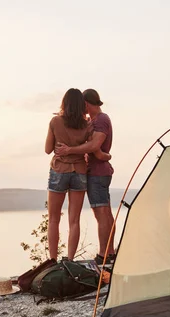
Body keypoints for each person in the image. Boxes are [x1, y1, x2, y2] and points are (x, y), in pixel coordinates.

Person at [45, 89, 110, 261]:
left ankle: (52, 260)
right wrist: (106, 156)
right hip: (80, 172)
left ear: (64, 103)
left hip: (59, 170)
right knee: (74, 220)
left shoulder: (55, 121)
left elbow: (47, 149)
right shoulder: (86, 125)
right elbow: (94, 148)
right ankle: (70, 260)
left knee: (53, 219)